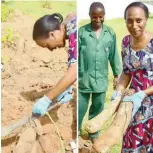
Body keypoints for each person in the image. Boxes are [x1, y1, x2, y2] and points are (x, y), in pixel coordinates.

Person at [91, 2, 153, 153]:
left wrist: (143, 94)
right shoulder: (126, 42)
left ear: (146, 19)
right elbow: (126, 71)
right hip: (131, 102)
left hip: (149, 101)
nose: (134, 25)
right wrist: (119, 91)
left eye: (139, 20)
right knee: (131, 141)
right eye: (129, 20)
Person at [78, 2, 121, 142]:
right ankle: (76, 131)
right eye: (94, 17)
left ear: (104, 16)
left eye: (100, 17)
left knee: (98, 107)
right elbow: (74, 56)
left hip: (101, 78)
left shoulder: (110, 33)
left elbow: (114, 55)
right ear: (89, 15)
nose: (97, 20)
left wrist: (116, 75)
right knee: (80, 106)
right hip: (83, 78)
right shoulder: (82, 32)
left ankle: (94, 134)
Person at [32, 13, 77, 116]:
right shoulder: (67, 24)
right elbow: (70, 15)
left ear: (52, 34)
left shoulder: (75, 33)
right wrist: (67, 87)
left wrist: (47, 99)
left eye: (47, 45)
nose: (50, 49)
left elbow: (74, 72)